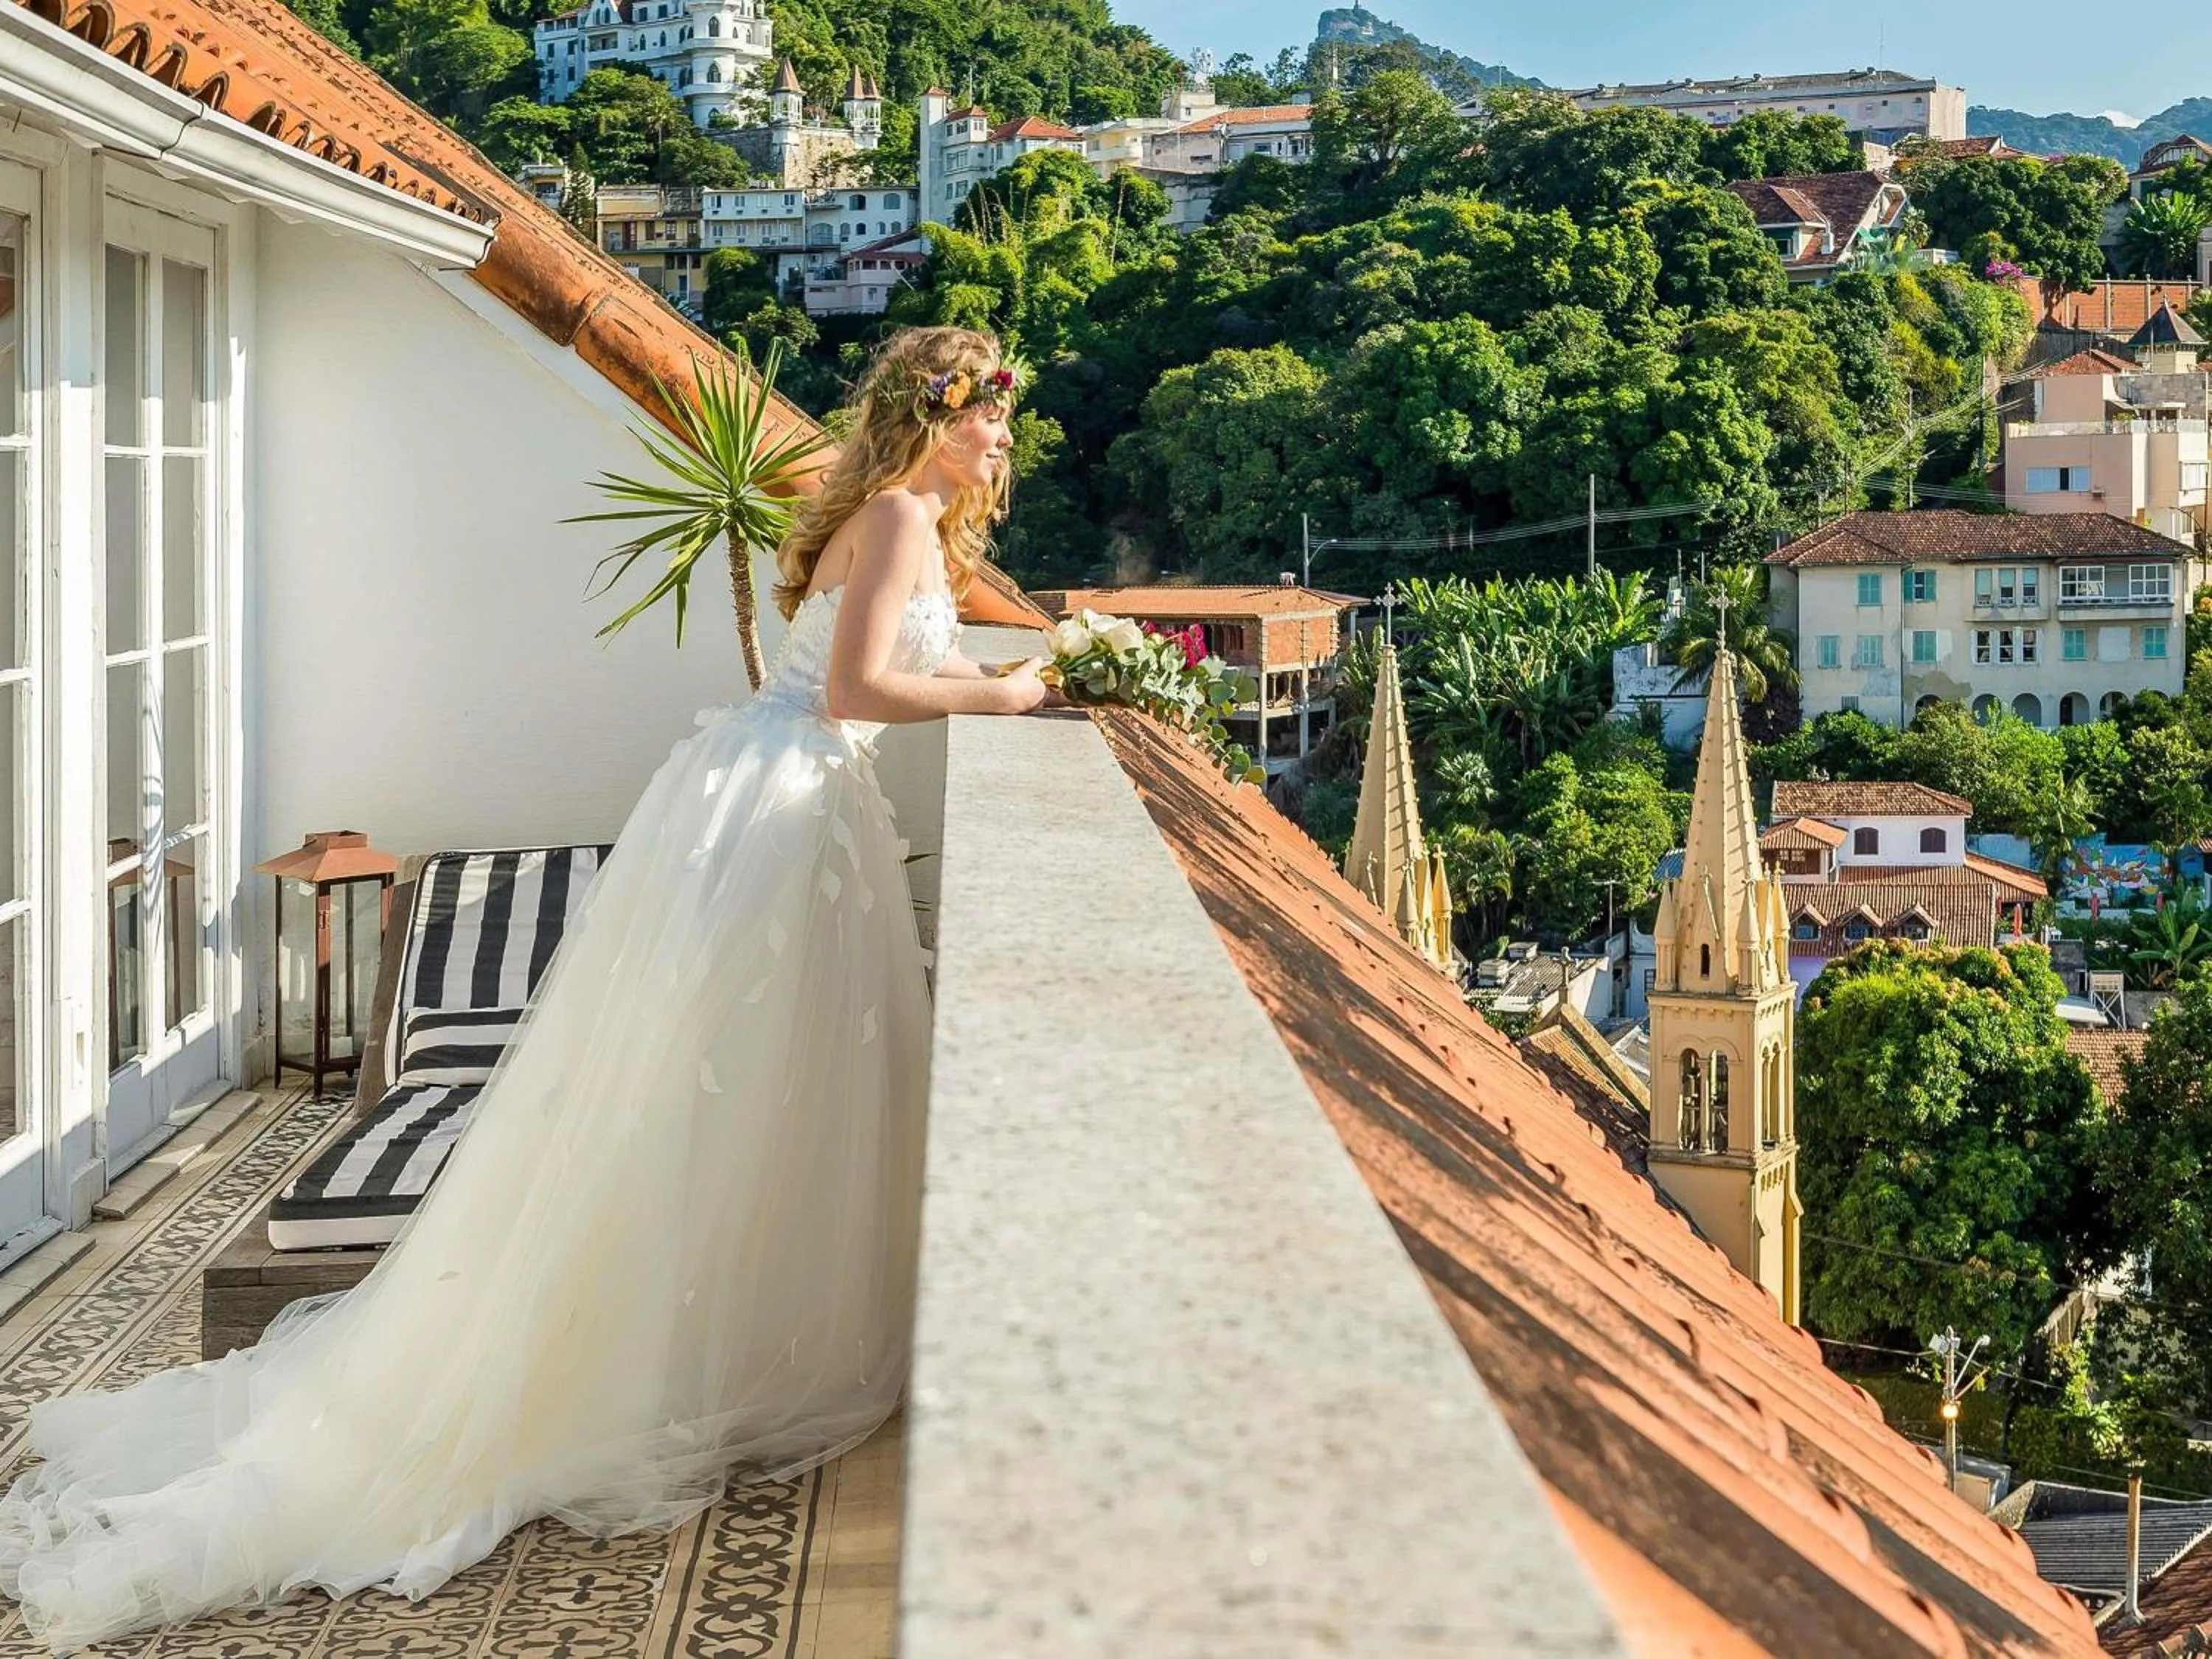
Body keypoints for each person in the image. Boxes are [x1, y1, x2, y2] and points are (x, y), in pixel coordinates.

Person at [0, 326, 1050, 1651]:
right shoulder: (901, 513)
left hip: (762, 790)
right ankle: (709, 1351)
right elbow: (858, 685)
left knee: (732, 1089)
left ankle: (710, 1332)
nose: (1000, 435)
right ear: (931, 418)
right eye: (988, 413)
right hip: (787, 808)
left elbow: (869, 669)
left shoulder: (889, 515)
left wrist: (1009, 671)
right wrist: (1003, 704)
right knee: (761, 1086)